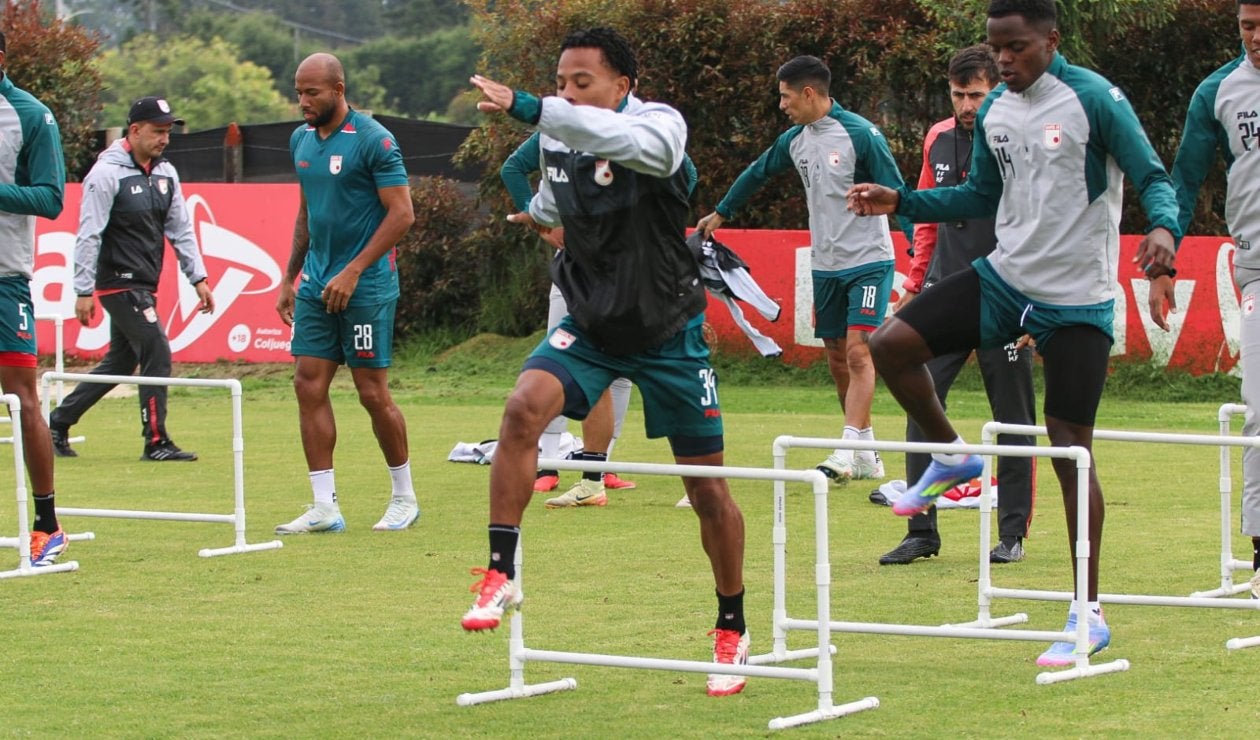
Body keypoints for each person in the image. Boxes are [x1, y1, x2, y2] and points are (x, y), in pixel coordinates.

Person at [847, 0, 1181, 666]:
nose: (1004, 60)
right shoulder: (998, 110)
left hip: (1077, 302)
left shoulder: (1094, 100)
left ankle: (1087, 613)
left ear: (1051, 41)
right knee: (890, 346)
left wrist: (1164, 231)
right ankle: (953, 455)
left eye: (1016, 47)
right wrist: (902, 201)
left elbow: (1151, 176)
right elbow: (979, 196)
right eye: (996, 48)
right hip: (1005, 280)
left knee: (1069, 451)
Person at [464, 27, 751, 696]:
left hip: (668, 332)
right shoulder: (560, 135)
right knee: (520, 409)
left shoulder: (657, 125)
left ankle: (732, 627)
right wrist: (534, 215)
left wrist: (535, 108)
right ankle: (500, 573)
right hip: (591, 325)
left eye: (581, 82)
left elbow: (624, 148)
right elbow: (550, 199)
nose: (567, 93)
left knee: (709, 492)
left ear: (622, 85)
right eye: (560, 82)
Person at [697, 55, 906, 485]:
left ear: (809, 93)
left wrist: (921, 259)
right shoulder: (795, 140)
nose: (782, 105)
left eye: (785, 96)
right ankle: (866, 453)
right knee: (835, 356)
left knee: (858, 352)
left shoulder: (861, 134)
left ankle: (847, 449)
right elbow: (758, 173)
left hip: (869, 260)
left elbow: (900, 194)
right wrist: (721, 214)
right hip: (825, 265)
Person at [878, 46, 1037, 566]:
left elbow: (1040, 222)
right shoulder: (937, 138)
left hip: (1007, 297)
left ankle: (1012, 531)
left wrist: (1038, 300)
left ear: (998, 88)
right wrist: (915, 284)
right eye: (959, 94)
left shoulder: (1019, 137)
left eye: (977, 94)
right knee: (918, 400)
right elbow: (926, 217)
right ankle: (921, 529)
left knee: (1012, 416)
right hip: (947, 291)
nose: (968, 104)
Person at [274, 53, 419, 534]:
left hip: (366, 285)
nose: (303, 102)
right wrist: (288, 279)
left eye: (312, 92)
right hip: (317, 283)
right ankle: (324, 506)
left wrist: (355, 270)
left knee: (371, 393)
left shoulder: (374, 139)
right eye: (299, 92)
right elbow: (305, 215)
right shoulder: (300, 140)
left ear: (338, 88)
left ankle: (404, 498)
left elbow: (402, 214)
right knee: (306, 384)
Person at [49, 97, 214, 462]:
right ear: (135, 130)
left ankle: (57, 423)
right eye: (157, 131)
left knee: (121, 363)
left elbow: (181, 230)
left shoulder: (166, 173)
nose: (164, 139)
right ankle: (156, 442)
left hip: (144, 282)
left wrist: (198, 277)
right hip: (117, 283)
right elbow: (89, 234)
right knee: (157, 348)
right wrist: (82, 290)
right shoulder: (106, 174)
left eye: (168, 132)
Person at [1169, 0, 1260, 600]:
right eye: (1248, 26)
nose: (1256, 37)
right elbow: (1183, 177)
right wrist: (1163, 254)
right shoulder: (1220, 91)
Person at [500, 133, 642, 505]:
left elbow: (684, 174)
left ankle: (600, 464)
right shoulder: (553, 130)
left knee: (620, 370)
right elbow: (512, 168)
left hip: (626, 268)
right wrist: (541, 225)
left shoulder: (633, 126)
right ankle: (547, 464)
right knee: (559, 361)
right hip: (575, 267)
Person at [0, 31, 69, 565]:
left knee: (24, 397)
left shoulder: (30, 115)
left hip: (5, 278)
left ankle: (47, 524)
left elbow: (50, 198)